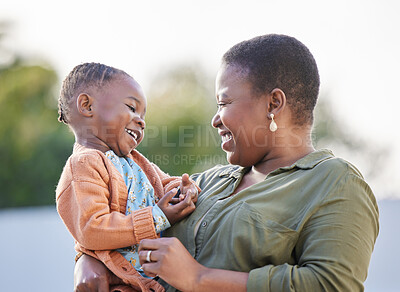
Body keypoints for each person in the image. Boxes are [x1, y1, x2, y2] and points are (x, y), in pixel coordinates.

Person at [74, 35, 379, 292]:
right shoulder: (205, 183)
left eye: (224, 103)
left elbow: (331, 284)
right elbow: (117, 217)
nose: (215, 118)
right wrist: (86, 260)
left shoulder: (334, 183)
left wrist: (198, 278)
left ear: (273, 103)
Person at [56, 63, 200, 292]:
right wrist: (156, 217)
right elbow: (92, 229)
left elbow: (165, 183)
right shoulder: (84, 165)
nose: (141, 121)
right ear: (86, 105)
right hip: (119, 280)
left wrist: (186, 188)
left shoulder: (135, 162)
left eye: (143, 115)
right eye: (132, 108)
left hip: (151, 278)